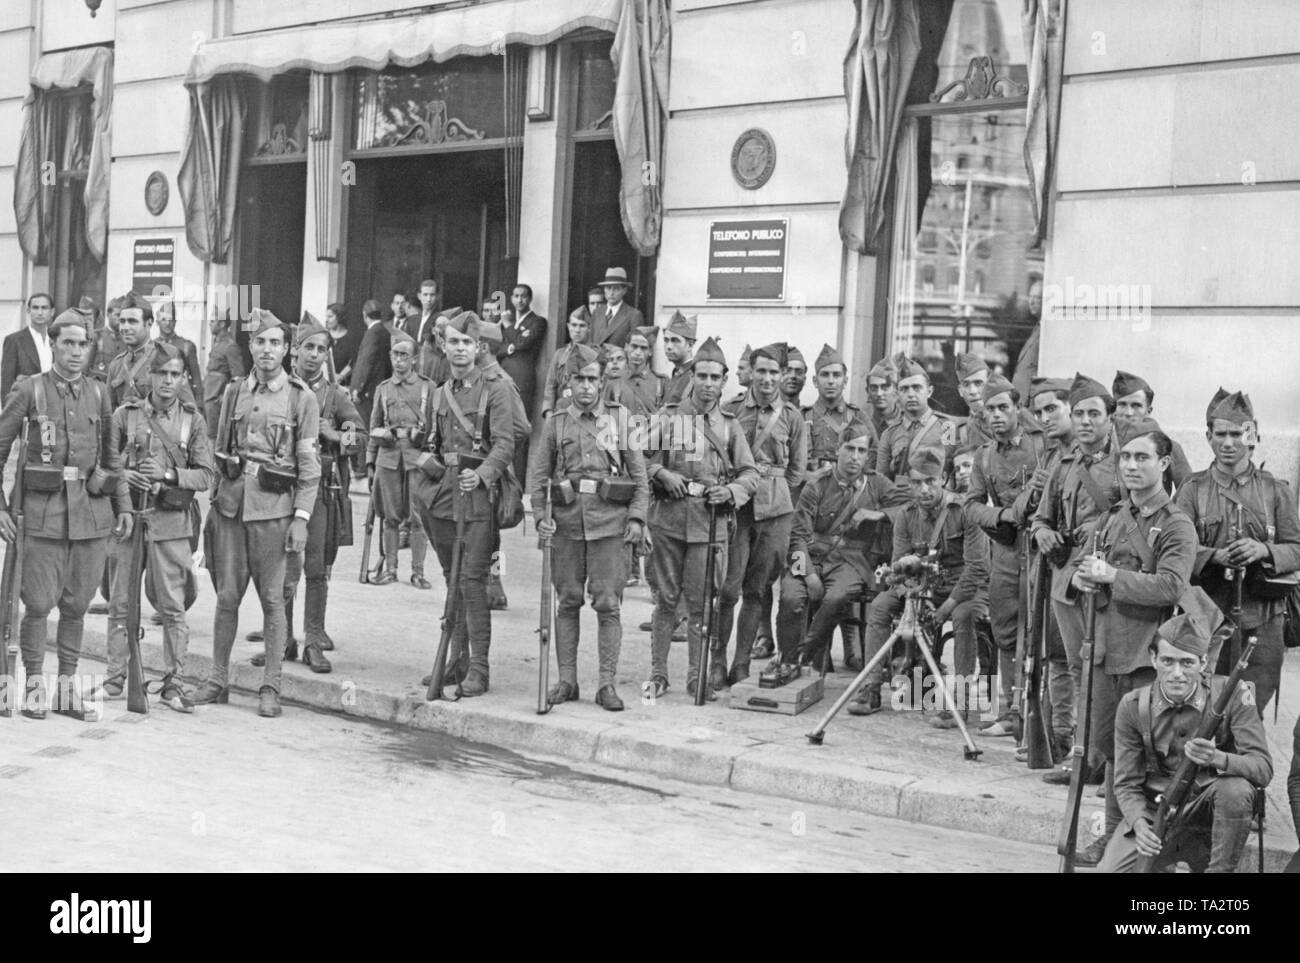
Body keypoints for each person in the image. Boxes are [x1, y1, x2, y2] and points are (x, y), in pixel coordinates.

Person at [1069, 418, 1197, 865]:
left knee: (1149, 754)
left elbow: (1170, 587)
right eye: (1125, 456)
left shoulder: (1176, 524)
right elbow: (1093, 568)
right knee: (1110, 747)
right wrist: (1087, 579)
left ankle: (1150, 842)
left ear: (1164, 463)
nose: (1131, 465)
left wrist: (1113, 577)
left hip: (1149, 653)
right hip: (1105, 648)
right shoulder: (1114, 517)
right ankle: (1113, 836)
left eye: (1142, 457)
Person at [195, 309, 321, 718]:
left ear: (288, 350)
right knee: (226, 598)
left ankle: (271, 685)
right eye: (260, 342)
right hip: (231, 508)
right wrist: (214, 509)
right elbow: (220, 448)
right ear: (251, 346)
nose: (267, 351)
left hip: (274, 513)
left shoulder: (302, 398)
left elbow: (309, 467)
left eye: (275, 343)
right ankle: (217, 680)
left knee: (272, 601)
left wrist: (301, 518)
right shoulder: (235, 391)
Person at [0, 310, 126, 718]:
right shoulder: (30, 390)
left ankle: (67, 691)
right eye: (67, 343)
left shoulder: (100, 393)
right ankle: (35, 691)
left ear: (91, 347)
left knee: (76, 607)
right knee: (37, 606)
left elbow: (112, 457)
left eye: (82, 344)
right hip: (41, 516)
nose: (75, 351)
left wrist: (120, 504)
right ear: (52, 343)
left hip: (90, 518)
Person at [1098, 611, 1272, 873]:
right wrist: (1139, 824)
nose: (1176, 673)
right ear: (1153, 659)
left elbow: (1263, 768)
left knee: (1236, 790)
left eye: (1187, 663)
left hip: (1208, 817)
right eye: (1167, 661)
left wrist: (1219, 759)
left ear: (1203, 663)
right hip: (1155, 813)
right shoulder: (1133, 706)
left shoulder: (1233, 694)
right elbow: (1125, 783)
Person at [531, 343, 649, 711]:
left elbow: (640, 478)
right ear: (569, 381)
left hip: (609, 527)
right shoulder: (557, 422)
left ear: (602, 382)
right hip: (566, 526)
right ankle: (567, 681)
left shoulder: (621, 419)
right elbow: (537, 479)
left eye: (592, 379)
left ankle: (607, 685)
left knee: (608, 605)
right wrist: (540, 518)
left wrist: (636, 519)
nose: (586, 387)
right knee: (567, 603)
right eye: (579, 379)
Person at [644, 337, 758, 701]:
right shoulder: (669, 417)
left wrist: (732, 492)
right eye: (703, 376)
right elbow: (636, 459)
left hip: (710, 525)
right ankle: (658, 674)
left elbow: (750, 474)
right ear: (692, 375)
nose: (708, 384)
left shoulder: (729, 426)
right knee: (665, 599)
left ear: (725, 381)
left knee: (702, 603)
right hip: (669, 521)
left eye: (715, 378)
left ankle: (697, 677)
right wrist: (661, 473)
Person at [1174, 390, 1300, 717]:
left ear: (1252, 433)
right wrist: (1214, 557)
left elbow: (1297, 549)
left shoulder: (1276, 490)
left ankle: (1242, 764)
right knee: (1203, 704)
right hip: (1207, 614)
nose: (1229, 443)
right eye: (1221, 434)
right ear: (1208, 437)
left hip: (1263, 618)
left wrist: (1263, 550)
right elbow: (1174, 549)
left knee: (1252, 705)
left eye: (1237, 433)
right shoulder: (1192, 489)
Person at [105, 342, 215, 712]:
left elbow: (206, 476)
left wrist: (168, 475)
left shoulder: (192, 421)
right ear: (149, 375)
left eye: (175, 374)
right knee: (120, 603)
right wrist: (127, 475)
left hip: (170, 524)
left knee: (173, 607)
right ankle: (115, 677)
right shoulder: (126, 415)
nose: (168, 381)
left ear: (184, 378)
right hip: (129, 520)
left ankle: (173, 682)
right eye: (161, 373)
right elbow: (105, 466)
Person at [249, 316, 362, 671]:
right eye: (308, 347)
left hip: (319, 492)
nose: (314, 355)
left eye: (321, 349)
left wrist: (335, 435)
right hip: (280, 489)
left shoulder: (335, 395)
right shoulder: (282, 389)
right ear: (294, 350)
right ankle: (282, 642)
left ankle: (314, 640)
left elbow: (361, 437)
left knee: (315, 568)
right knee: (281, 568)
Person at [412, 313, 516, 697]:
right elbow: (431, 441)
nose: (459, 349)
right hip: (442, 498)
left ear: (478, 348)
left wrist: (484, 474)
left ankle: (479, 668)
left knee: (473, 581)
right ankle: (455, 660)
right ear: (443, 345)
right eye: (453, 342)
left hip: (477, 498)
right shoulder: (438, 393)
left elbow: (506, 442)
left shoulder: (496, 389)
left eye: (467, 343)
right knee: (451, 579)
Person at [850, 447, 989, 722]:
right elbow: (898, 563)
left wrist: (945, 608)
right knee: (880, 606)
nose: (924, 490)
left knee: (963, 617)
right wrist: (910, 595)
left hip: (964, 589)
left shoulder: (964, 511)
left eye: (930, 482)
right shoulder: (906, 515)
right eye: (916, 483)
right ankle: (871, 688)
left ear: (943, 480)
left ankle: (958, 702)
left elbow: (977, 568)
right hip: (923, 586)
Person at [1030, 372, 1122, 783]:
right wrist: (1043, 532)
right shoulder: (1061, 464)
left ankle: (1107, 760)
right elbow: (1039, 518)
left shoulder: (1126, 464)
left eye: (1094, 414)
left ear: (1109, 418)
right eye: (1080, 413)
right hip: (1065, 580)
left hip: (1106, 581)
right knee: (1076, 667)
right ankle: (1081, 758)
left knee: (1105, 672)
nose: (1085, 421)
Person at [775, 426, 897, 695]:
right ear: (837, 451)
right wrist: (808, 575)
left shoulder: (876, 484)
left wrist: (879, 515)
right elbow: (796, 536)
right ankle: (786, 659)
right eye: (850, 449)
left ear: (867, 456)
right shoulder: (816, 485)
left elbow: (909, 504)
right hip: (810, 557)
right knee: (790, 598)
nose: (855, 456)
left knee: (835, 598)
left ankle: (800, 658)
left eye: (861, 451)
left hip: (851, 562)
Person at [716, 343, 806, 687]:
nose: (768, 379)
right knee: (727, 590)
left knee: (756, 590)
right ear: (750, 372)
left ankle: (741, 665)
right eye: (762, 371)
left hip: (774, 513)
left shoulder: (792, 417)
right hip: (736, 511)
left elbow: (797, 471)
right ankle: (715, 662)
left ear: (783, 376)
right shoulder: (731, 410)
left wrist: (773, 491)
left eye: (774, 372)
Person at [962, 375, 1047, 735]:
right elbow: (971, 505)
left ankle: (1037, 711)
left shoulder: (1042, 448)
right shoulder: (983, 457)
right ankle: (1011, 711)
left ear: (1017, 409)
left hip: (1042, 548)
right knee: (1006, 628)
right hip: (1007, 548)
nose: (995, 416)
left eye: (1002, 408)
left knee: (1040, 629)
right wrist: (1002, 516)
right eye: (989, 410)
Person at [800, 343, 871, 669]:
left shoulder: (859, 418)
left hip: (850, 503)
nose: (831, 381)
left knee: (849, 570)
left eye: (837, 375)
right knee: (815, 573)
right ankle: (819, 652)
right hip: (817, 509)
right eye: (825, 375)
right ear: (815, 381)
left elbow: (870, 463)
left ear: (845, 380)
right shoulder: (804, 419)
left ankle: (853, 646)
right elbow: (794, 468)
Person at [366, 327, 434, 589]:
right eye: (395, 354)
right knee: (390, 516)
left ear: (414, 359)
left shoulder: (427, 388)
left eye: (404, 355)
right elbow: (374, 426)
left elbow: (436, 428)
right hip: (389, 458)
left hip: (417, 459)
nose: (398, 359)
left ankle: (417, 572)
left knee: (418, 519)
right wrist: (370, 463)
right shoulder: (383, 389)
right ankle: (391, 569)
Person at [105, 294, 196, 409]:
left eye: (132, 321)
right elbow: (108, 414)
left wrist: (148, 407)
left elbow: (189, 409)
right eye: (122, 321)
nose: (125, 327)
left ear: (149, 323)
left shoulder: (169, 356)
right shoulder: (116, 365)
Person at [875, 356, 956, 482]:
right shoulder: (889, 435)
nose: (911, 394)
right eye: (904, 389)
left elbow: (950, 471)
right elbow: (881, 481)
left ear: (929, 391)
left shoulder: (946, 427)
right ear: (897, 394)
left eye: (917, 388)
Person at [1112, 370, 1193, 490]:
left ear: (1148, 411)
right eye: (1122, 405)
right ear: (1113, 409)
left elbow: (1188, 493)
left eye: (1136, 406)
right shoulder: (1105, 445)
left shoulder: (1169, 447)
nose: (1128, 413)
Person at [500, 283, 547, 419]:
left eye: (524, 296)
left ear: (530, 299)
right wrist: (509, 348)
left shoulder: (537, 322)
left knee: (520, 422)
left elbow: (521, 343)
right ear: (511, 299)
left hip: (522, 379)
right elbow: (498, 349)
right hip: (503, 377)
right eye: (516, 296)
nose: (520, 300)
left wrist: (508, 325)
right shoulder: (511, 322)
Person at [204, 310, 248, 441]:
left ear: (222, 324)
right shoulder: (217, 343)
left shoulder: (230, 346)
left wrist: (225, 395)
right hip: (209, 395)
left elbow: (239, 376)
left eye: (213, 321)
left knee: (215, 436)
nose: (209, 324)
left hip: (216, 398)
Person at [2, 292, 55, 399]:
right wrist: (9, 412)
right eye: (35, 308)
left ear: (52, 312)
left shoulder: (57, 339)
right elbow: (7, 382)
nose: (40, 312)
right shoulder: (14, 340)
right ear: (28, 311)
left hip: (54, 403)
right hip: (26, 404)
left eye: (44, 308)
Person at [541, 308, 592, 417]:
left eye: (582, 326)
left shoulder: (595, 355)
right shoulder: (560, 354)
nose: (577, 330)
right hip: (561, 411)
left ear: (589, 328)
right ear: (568, 326)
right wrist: (548, 411)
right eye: (574, 325)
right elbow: (550, 386)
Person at [350, 299, 392, 431]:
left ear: (364, 314)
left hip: (367, 391)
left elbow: (366, 361)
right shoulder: (384, 331)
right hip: (378, 388)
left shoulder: (372, 332)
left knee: (363, 427)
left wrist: (358, 387)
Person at [154, 302, 203, 402]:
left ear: (175, 322)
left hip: (181, 399)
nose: (168, 323)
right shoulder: (151, 346)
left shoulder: (187, 346)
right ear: (157, 322)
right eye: (164, 319)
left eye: (171, 320)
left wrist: (199, 403)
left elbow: (196, 378)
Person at [621, 325, 665, 418]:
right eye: (634, 346)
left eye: (643, 348)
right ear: (626, 347)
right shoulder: (614, 380)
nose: (638, 352)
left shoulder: (661, 382)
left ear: (650, 351)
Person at [593, 267, 644, 346]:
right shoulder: (597, 313)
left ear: (624, 291)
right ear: (604, 290)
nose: (611, 293)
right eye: (608, 288)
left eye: (616, 289)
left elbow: (635, 347)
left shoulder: (633, 315)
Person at [660, 311, 697, 406]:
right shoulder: (676, 374)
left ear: (690, 345)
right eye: (666, 340)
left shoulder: (695, 376)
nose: (668, 346)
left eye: (675, 340)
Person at [87, 295, 126, 384]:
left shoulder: (128, 339)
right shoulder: (97, 336)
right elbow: (86, 367)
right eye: (117, 315)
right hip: (99, 387)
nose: (121, 319)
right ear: (108, 314)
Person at [865, 356, 902, 441]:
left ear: (897, 391)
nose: (879, 393)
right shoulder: (862, 425)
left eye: (885, 387)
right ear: (868, 392)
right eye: (874, 388)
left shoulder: (910, 425)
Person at [326, 301, 361, 388]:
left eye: (330, 317)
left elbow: (354, 362)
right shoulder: (325, 335)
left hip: (343, 384)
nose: (326, 320)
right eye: (326, 316)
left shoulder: (351, 338)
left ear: (339, 317)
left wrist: (341, 376)